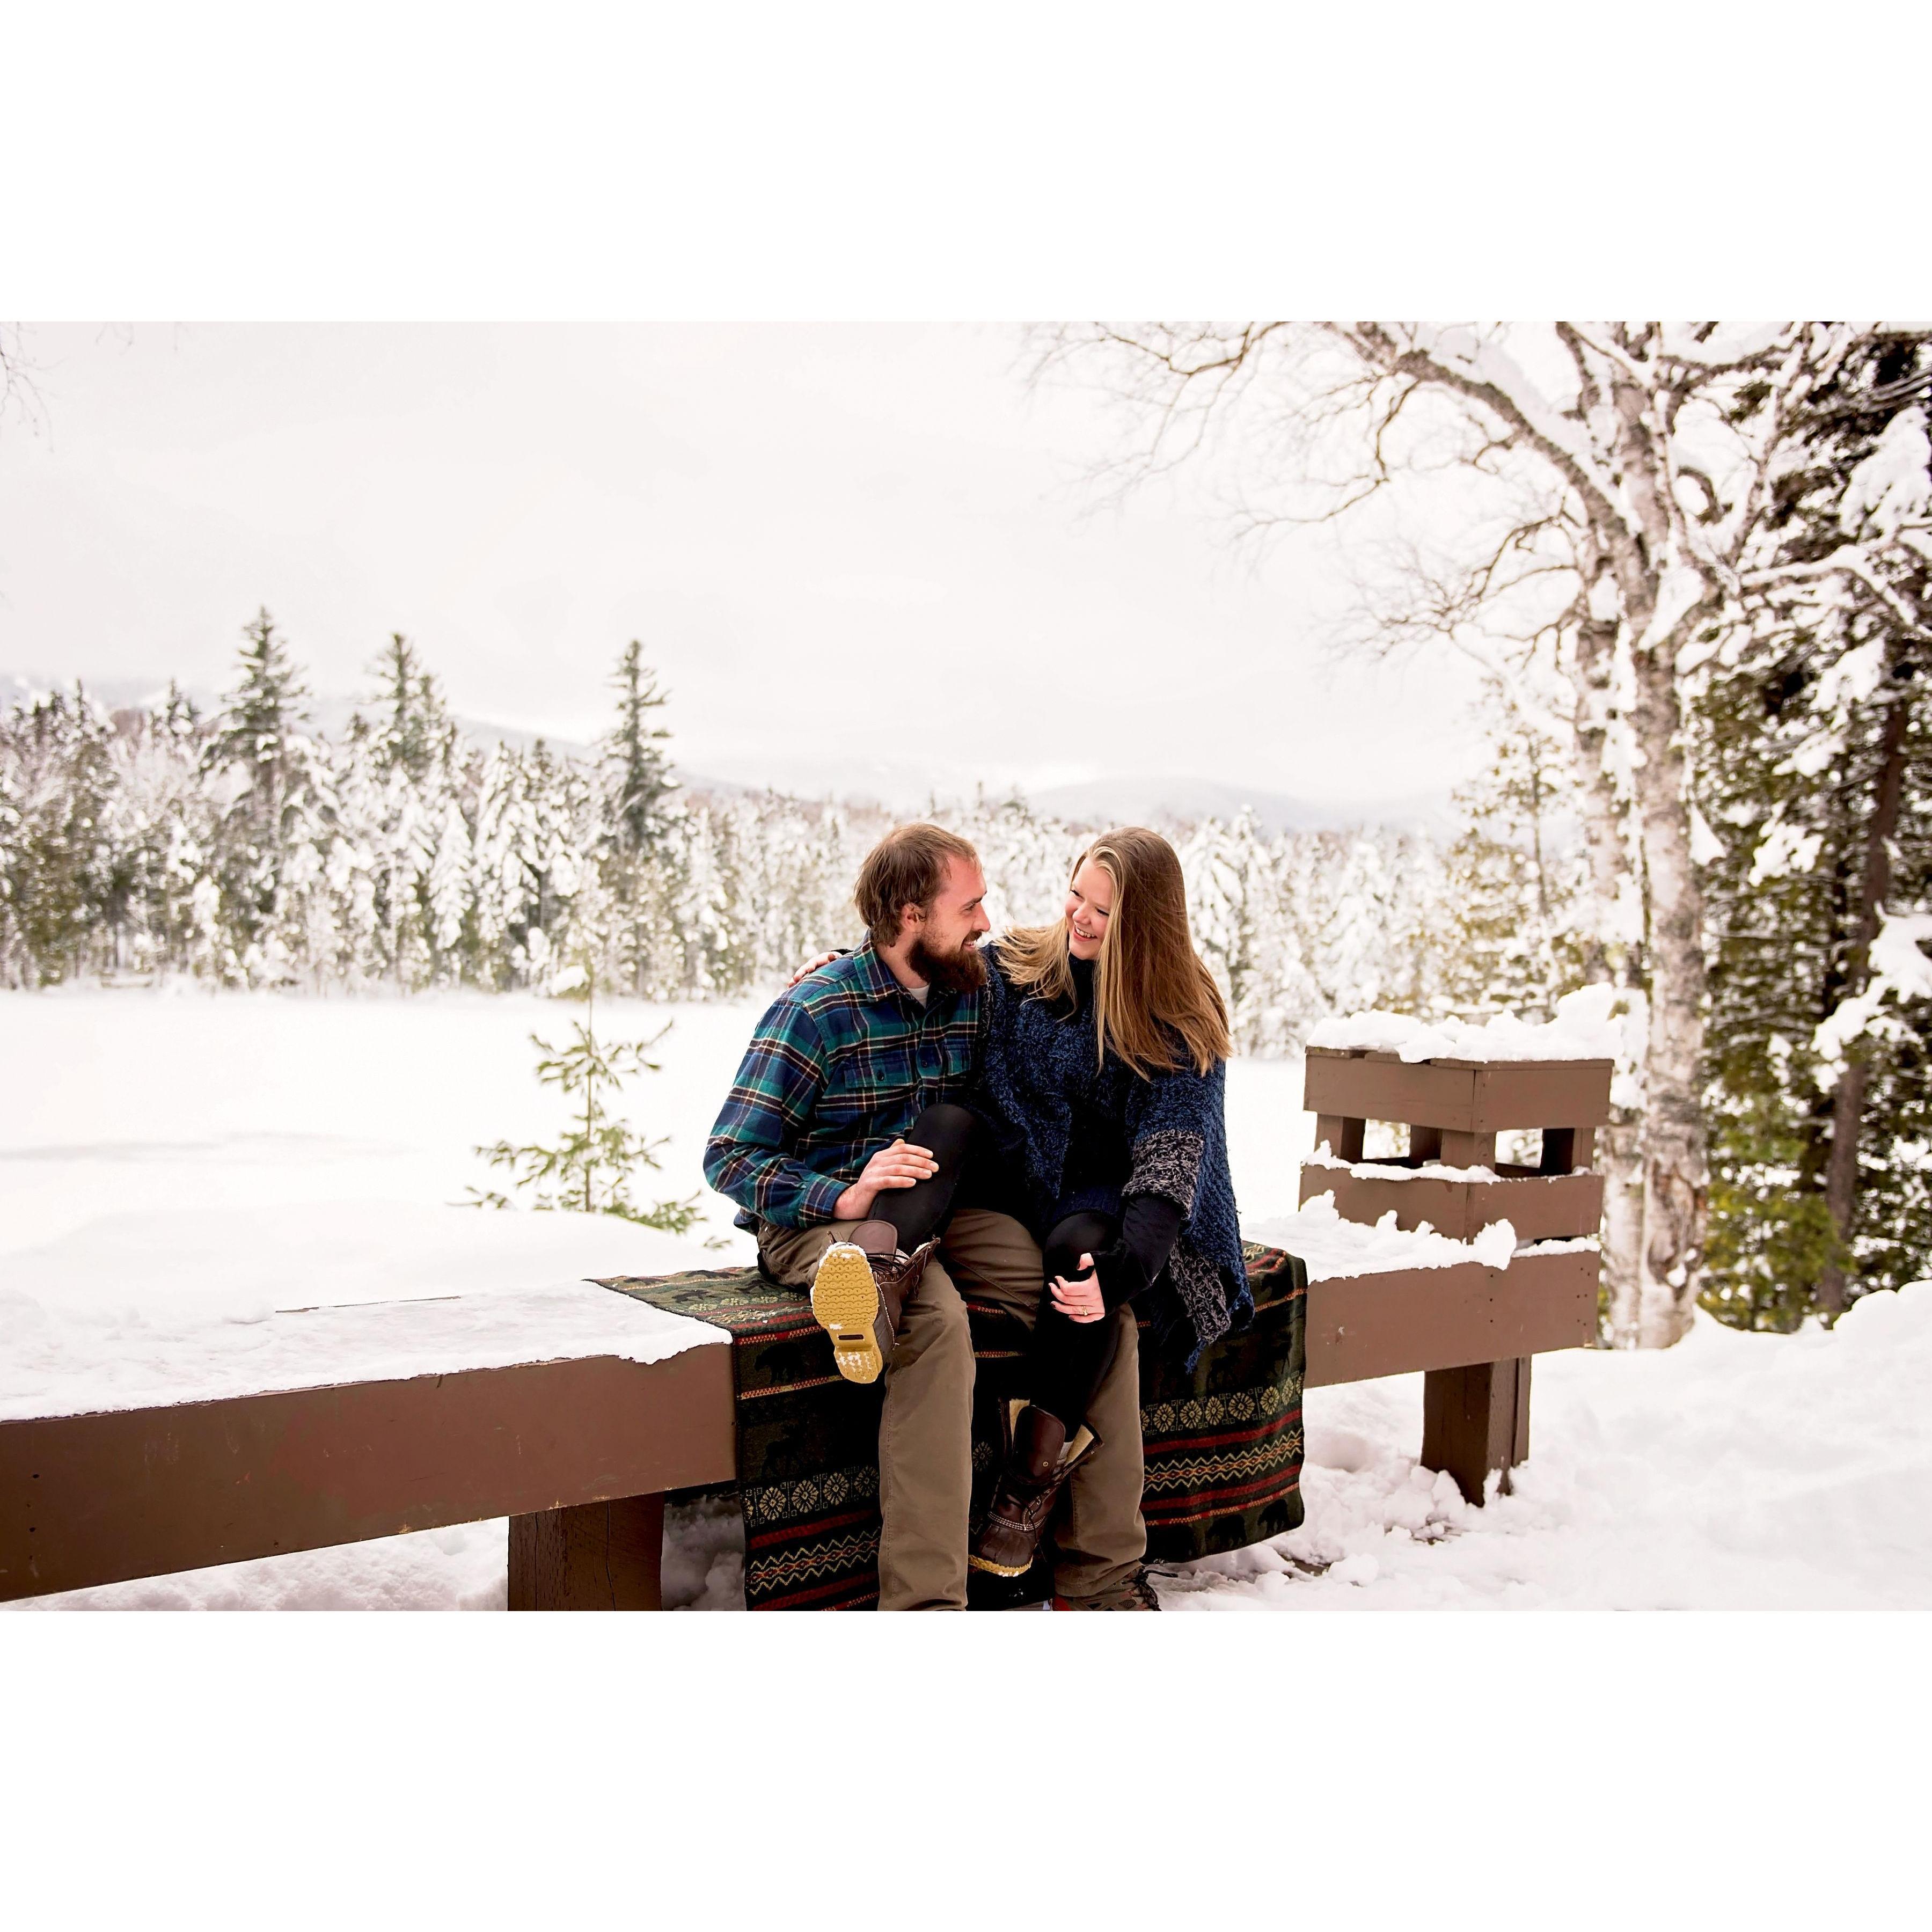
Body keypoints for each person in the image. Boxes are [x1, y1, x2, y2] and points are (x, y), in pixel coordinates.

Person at [704, 822, 1154, 1612]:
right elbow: (731, 1159)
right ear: (912, 914)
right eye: (970, 905)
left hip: (947, 1206)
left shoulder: (971, 986)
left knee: (1090, 1301)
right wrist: (840, 1197)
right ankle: (925, 1607)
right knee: (936, 1326)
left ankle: (1104, 1578)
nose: (986, 921)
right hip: (822, 1218)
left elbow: (1072, 975)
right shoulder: (815, 1013)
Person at [963, 826, 1250, 1582]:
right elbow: (920, 970)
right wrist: (841, 967)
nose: (1080, 919)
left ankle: (1031, 1474)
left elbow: (1169, 1159)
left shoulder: (1180, 1014)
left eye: (1104, 911)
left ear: (1145, 925)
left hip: (1109, 1192)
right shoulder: (1021, 965)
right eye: (1076, 897)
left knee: (1080, 1261)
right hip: (1015, 1169)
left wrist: (1121, 1277)